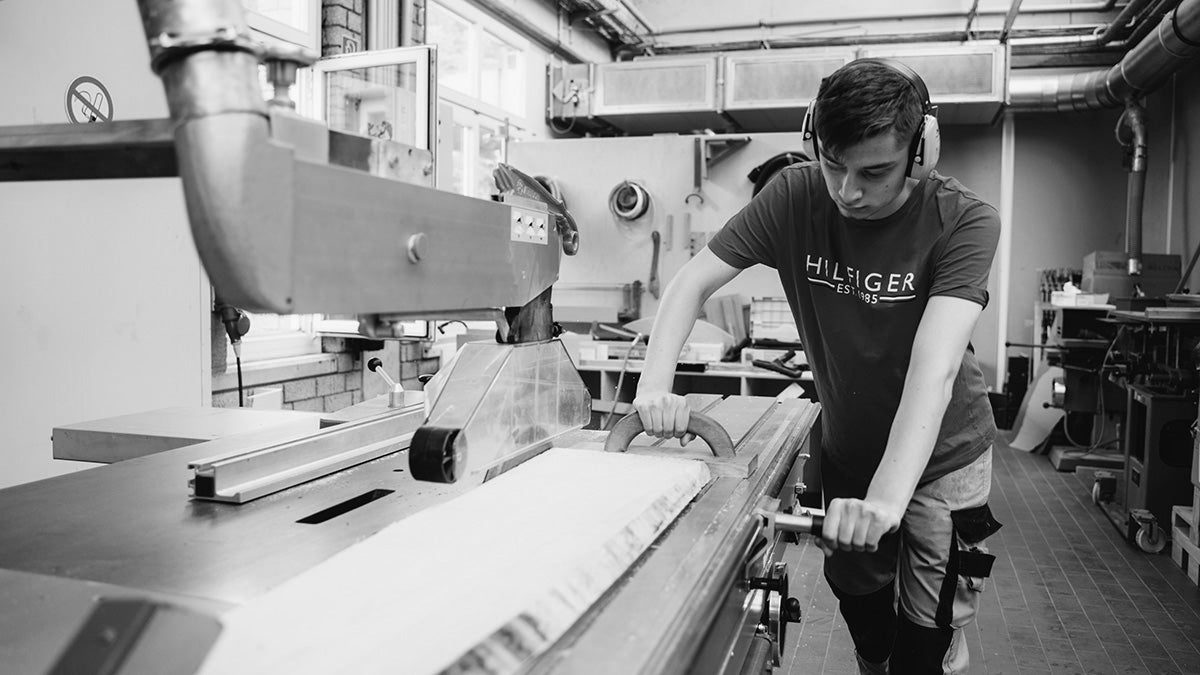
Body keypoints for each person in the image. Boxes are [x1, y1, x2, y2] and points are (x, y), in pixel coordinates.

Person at [631, 58, 1002, 675]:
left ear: (922, 151)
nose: (847, 191)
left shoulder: (964, 220)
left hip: (946, 454)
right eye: (833, 164)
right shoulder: (796, 195)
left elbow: (932, 371)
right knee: (862, 605)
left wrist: (886, 503)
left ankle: (942, 631)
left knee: (922, 641)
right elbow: (691, 283)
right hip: (852, 447)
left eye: (874, 171)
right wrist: (654, 387)